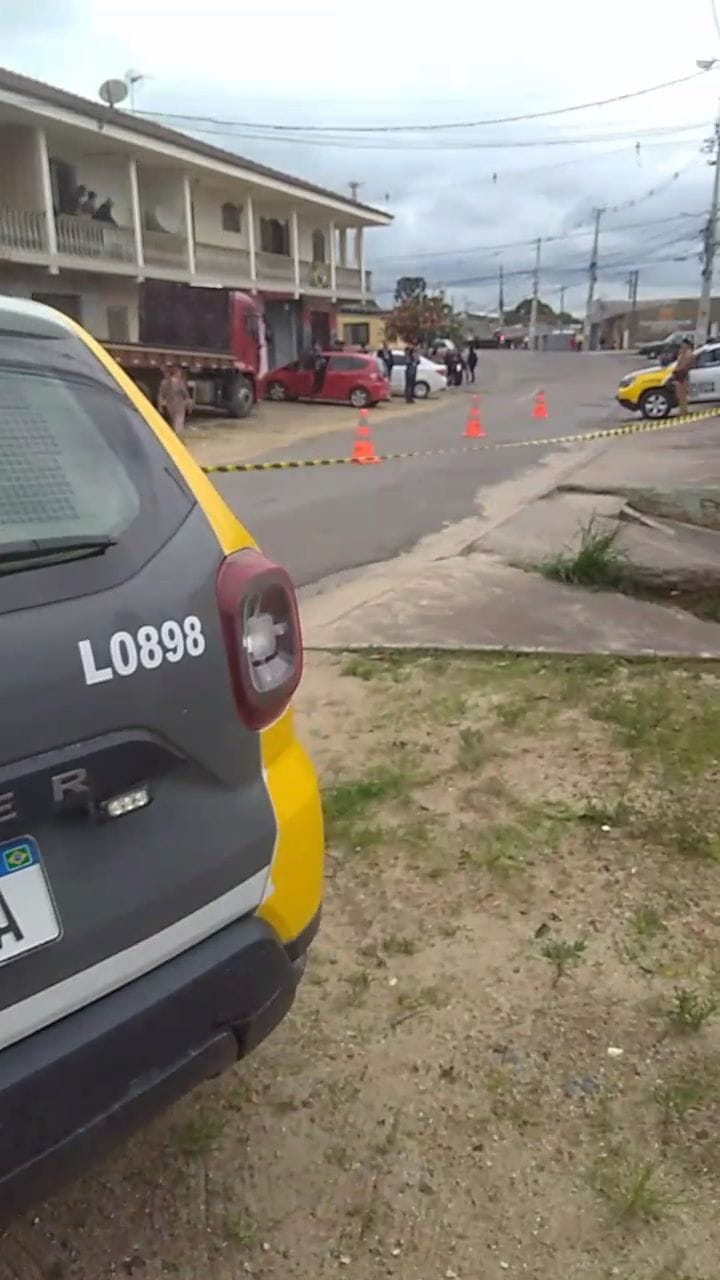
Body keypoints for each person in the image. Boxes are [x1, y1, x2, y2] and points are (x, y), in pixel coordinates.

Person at [158, 364, 191, 435]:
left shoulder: (164, 382)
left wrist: (160, 406)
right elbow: (185, 394)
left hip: (169, 405)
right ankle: (178, 436)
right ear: (177, 373)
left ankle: (173, 434)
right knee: (178, 422)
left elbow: (161, 395)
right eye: (179, 373)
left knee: (172, 421)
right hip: (179, 405)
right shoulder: (180, 382)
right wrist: (188, 405)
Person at [672, 339, 694, 414]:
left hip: (683, 374)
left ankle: (684, 410)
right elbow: (678, 363)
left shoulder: (689, 353)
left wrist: (678, 369)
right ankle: (682, 410)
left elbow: (685, 364)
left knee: (682, 394)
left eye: (683, 345)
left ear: (687, 345)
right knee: (679, 394)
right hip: (678, 374)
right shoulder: (681, 353)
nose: (682, 346)